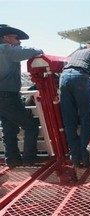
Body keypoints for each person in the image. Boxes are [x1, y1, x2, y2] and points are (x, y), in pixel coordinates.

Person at [0, 24, 44, 167]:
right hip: (7, 95)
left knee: (9, 128)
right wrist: (39, 50)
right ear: (5, 38)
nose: (19, 41)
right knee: (31, 126)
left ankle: (12, 160)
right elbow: (33, 51)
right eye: (16, 38)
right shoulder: (5, 49)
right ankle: (29, 158)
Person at [59, 43, 90, 168]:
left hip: (64, 78)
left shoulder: (77, 53)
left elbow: (76, 70)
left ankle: (75, 157)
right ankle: (86, 156)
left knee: (69, 119)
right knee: (86, 118)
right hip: (81, 78)